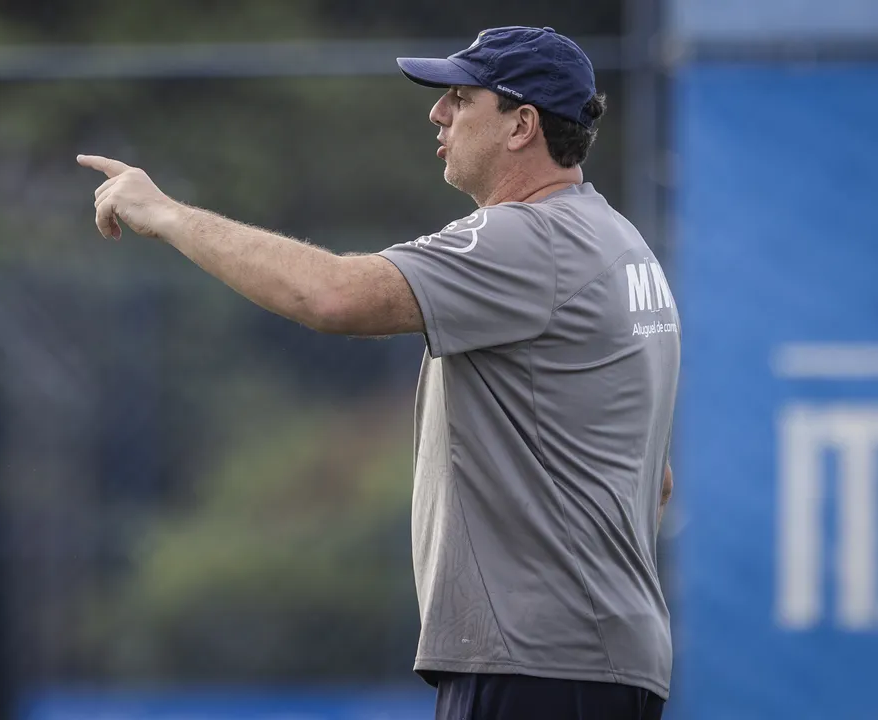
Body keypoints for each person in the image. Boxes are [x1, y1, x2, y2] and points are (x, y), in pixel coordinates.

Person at [79, 25, 679, 720]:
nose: (437, 113)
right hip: (603, 658)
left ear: (521, 125)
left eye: (459, 97)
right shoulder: (617, 242)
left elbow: (331, 295)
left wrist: (167, 213)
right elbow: (653, 479)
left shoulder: (529, 237)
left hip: (536, 663)